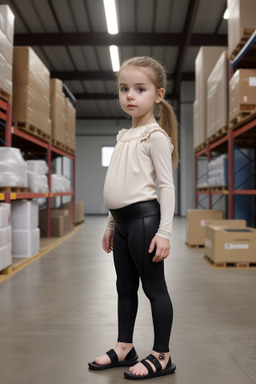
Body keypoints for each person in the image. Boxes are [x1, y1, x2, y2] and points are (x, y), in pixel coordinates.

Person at [88, 56, 178, 380]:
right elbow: (119, 182)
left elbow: (166, 187)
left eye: (140, 89)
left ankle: (162, 354)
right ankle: (125, 346)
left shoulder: (155, 137)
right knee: (124, 287)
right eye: (124, 89)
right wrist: (111, 224)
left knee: (154, 289)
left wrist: (164, 233)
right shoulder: (123, 136)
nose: (130, 95)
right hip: (123, 223)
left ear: (158, 95)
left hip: (144, 220)